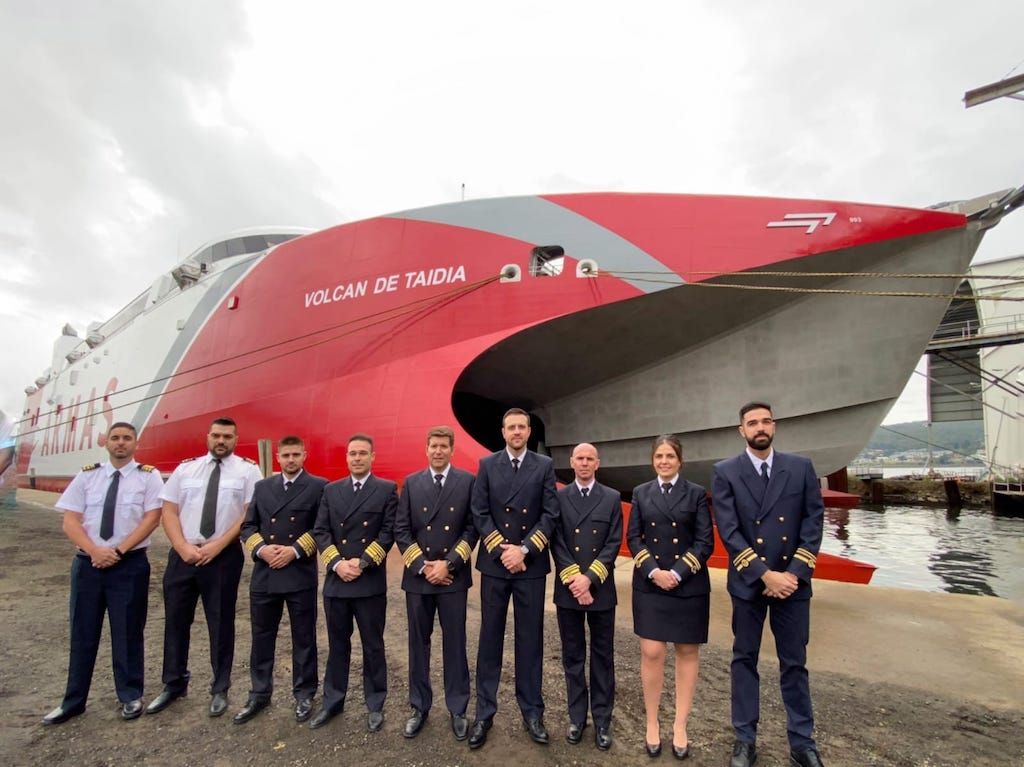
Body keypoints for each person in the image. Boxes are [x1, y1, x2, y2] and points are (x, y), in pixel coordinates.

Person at [711, 402, 825, 767]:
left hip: (792, 583)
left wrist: (793, 574)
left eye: (765, 421)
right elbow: (729, 530)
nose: (760, 427)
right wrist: (765, 574)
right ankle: (745, 739)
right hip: (750, 582)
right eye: (752, 423)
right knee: (744, 659)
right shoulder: (725, 472)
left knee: (795, 663)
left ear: (773, 426)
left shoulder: (801, 467)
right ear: (741, 430)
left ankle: (802, 743)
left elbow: (813, 521)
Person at [43, 422, 164, 724]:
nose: (121, 443)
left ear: (136, 443)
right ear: (106, 443)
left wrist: (118, 551)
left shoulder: (148, 477)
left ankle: (130, 695)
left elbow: (152, 519)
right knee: (82, 633)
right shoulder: (87, 476)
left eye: (127, 438)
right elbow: (70, 520)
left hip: (130, 564)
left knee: (128, 631)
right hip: (88, 564)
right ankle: (73, 701)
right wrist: (95, 551)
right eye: (115, 438)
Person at [146, 417, 263, 717]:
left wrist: (217, 545)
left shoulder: (248, 471)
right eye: (216, 435)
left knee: (221, 623)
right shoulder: (186, 469)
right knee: (175, 620)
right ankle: (173, 684)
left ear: (236, 439)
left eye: (227, 436)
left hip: (223, 556)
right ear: (208, 436)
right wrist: (182, 546)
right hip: (183, 555)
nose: (221, 441)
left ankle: (220, 688)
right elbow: (169, 510)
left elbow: (249, 514)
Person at [468, 407, 559, 749]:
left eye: (522, 427)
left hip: (529, 566)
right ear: (503, 432)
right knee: (489, 639)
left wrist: (524, 550)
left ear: (529, 431)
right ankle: (484, 713)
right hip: (495, 565)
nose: (517, 432)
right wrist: (503, 550)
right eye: (511, 427)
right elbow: (479, 511)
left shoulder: (544, 466)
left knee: (530, 640)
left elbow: (550, 513)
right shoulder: (487, 465)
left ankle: (532, 712)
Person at [627, 434, 713, 760]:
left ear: (680, 461)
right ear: (653, 461)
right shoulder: (641, 493)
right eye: (659, 456)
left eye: (670, 456)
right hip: (651, 583)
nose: (664, 461)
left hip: (687, 583)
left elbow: (704, 542)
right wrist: (654, 571)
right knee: (651, 651)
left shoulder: (696, 493)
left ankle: (679, 725)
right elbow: (634, 538)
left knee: (687, 650)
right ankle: (652, 722)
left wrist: (677, 572)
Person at [234, 436, 327, 725]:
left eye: (295, 454)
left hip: (299, 573)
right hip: (265, 574)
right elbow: (248, 526)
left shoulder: (319, 486)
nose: (290, 460)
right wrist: (262, 549)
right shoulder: (263, 487)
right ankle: (259, 693)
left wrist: (294, 551)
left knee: (304, 637)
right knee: (262, 637)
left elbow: (321, 527)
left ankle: (304, 693)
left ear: (304, 455)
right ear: (277, 457)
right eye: (286, 455)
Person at [394, 426, 478, 741]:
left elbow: (472, 528)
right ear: (426, 449)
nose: (438, 451)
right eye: (434, 446)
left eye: (444, 446)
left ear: (452, 450)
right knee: (418, 644)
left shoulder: (467, 482)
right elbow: (401, 530)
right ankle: (419, 707)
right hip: (419, 578)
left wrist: (449, 564)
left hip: (452, 576)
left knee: (455, 644)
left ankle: (458, 708)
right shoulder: (412, 483)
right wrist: (422, 566)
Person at [310, 433, 397, 732]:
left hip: (368, 581)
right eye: (352, 453)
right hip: (337, 581)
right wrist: (337, 563)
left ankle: (375, 704)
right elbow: (321, 531)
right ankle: (333, 702)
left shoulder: (386, 490)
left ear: (372, 457)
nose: (357, 458)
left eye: (362, 453)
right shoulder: (331, 490)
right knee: (337, 645)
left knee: (373, 646)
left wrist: (361, 563)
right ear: (346, 458)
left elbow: (387, 533)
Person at [551, 443, 622, 752]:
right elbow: (556, 541)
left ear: (597, 463)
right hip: (569, 590)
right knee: (573, 656)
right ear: (571, 462)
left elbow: (613, 543)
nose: (584, 463)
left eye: (589, 459)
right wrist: (575, 580)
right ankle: (577, 718)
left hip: (600, 589)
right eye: (579, 458)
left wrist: (588, 579)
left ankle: (603, 719)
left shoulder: (611, 497)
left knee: (603, 657)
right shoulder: (559, 497)